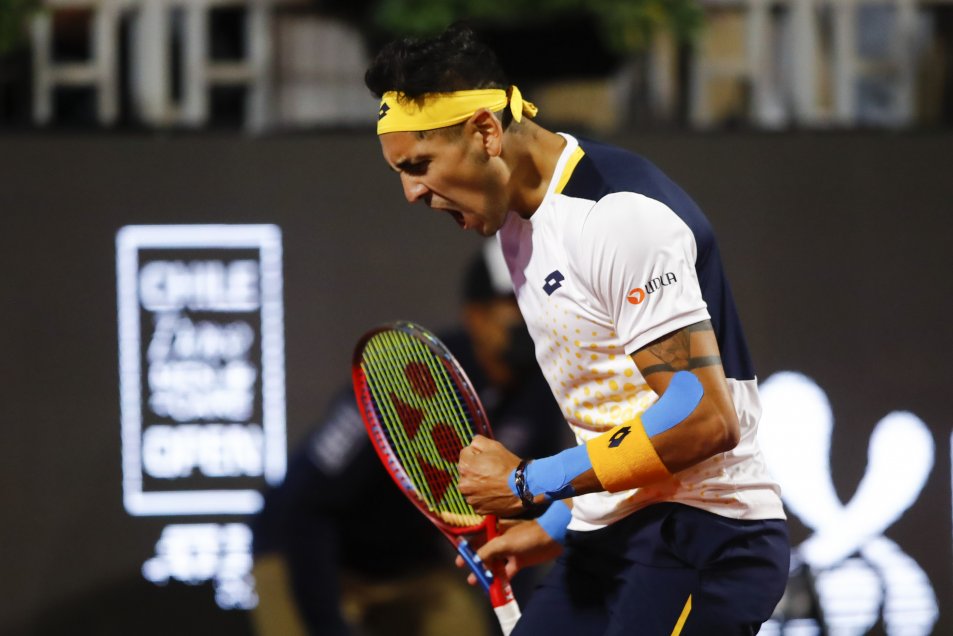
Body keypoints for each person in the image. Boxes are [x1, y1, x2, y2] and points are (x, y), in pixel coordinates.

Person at [364, 23, 790, 636]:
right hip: (610, 536)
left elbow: (703, 418)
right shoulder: (517, 223)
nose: (410, 192)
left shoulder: (619, 216)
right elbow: (619, 407)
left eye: (419, 164)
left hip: (702, 535)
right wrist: (559, 522)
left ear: (485, 131)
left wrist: (528, 483)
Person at [251, 241, 572, 636]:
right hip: (303, 553)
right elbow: (307, 506)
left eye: (535, 301)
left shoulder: (542, 388)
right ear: (475, 316)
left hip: (408, 562)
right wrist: (328, 625)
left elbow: (522, 521)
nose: (529, 316)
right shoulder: (406, 372)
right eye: (513, 303)